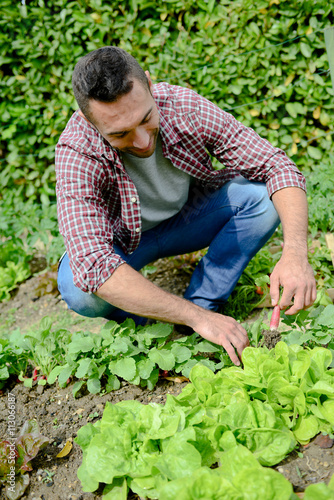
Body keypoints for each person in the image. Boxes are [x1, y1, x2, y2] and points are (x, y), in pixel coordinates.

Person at [55, 46, 316, 366]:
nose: (141, 142)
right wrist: (196, 318)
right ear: (87, 118)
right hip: (122, 246)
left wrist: (295, 253)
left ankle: (204, 303)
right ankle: (147, 326)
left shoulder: (183, 106)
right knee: (79, 289)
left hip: (189, 219)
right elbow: (94, 265)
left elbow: (277, 167)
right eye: (120, 134)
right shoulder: (75, 151)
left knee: (261, 199)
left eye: (146, 118)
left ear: (150, 85)